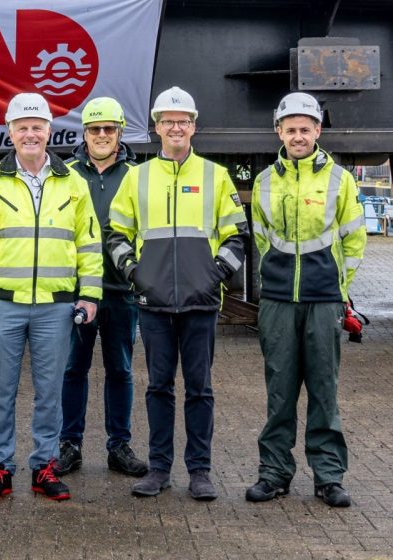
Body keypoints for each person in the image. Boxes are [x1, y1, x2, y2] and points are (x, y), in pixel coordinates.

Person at [106, 86, 249, 501]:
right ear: (156, 128)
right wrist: (136, 274)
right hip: (153, 303)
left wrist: (215, 274)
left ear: (194, 127)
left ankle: (200, 472)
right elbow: (116, 233)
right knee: (158, 388)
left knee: (200, 389)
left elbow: (237, 236)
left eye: (182, 121)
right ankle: (159, 469)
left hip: (201, 303)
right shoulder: (138, 176)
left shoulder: (214, 176)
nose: (175, 127)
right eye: (167, 121)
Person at [0, 92, 102, 503]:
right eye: (22, 127)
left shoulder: (73, 182)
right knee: (0, 392)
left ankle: (44, 465)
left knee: (50, 392)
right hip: (4, 304)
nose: (30, 133)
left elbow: (89, 243)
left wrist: (89, 295)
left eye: (37, 126)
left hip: (56, 306)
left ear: (49, 131)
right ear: (10, 132)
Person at [244, 92, 366, 508]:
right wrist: (272, 279)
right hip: (278, 301)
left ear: (318, 131)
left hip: (324, 300)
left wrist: (336, 287)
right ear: (279, 131)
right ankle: (274, 473)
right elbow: (261, 240)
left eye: (305, 129)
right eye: (290, 129)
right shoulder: (264, 182)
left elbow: (355, 240)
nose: (298, 136)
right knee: (279, 392)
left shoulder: (339, 180)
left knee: (323, 391)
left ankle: (329, 477)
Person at [56, 97, 147, 478]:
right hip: (78, 290)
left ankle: (118, 445)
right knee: (72, 368)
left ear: (120, 132)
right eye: (95, 129)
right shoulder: (66, 173)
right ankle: (69, 444)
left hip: (122, 290)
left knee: (120, 370)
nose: (102, 136)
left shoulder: (139, 175)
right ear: (85, 133)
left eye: (109, 129)